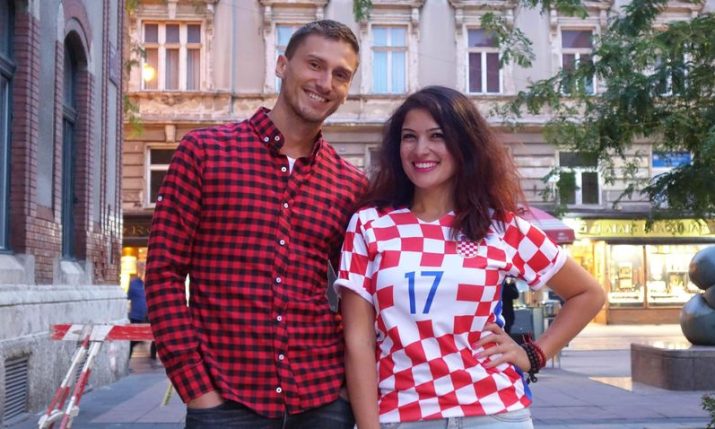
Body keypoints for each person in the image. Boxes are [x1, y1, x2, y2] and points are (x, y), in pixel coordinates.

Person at [336, 86, 605, 429]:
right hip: (403, 415)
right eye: (409, 137)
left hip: (495, 414)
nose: (421, 149)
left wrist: (533, 354)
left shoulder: (502, 227)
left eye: (437, 136)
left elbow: (588, 294)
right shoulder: (370, 225)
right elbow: (357, 342)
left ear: (464, 143)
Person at [144, 20, 368, 429]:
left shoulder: (349, 183)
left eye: (341, 74)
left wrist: (344, 391)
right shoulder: (204, 153)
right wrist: (198, 390)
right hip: (226, 401)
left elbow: (360, 295)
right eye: (314, 65)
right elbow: (163, 275)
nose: (325, 83)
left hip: (322, 401)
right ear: (282, 65)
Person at [127, 267, 155, 359]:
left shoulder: (152, 284)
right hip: (136, 316)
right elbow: (129, 296)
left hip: (149, 315)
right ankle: (128, 356)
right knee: (134, 338)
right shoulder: (134, 284)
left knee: (155, 337)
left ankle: (153, 355)